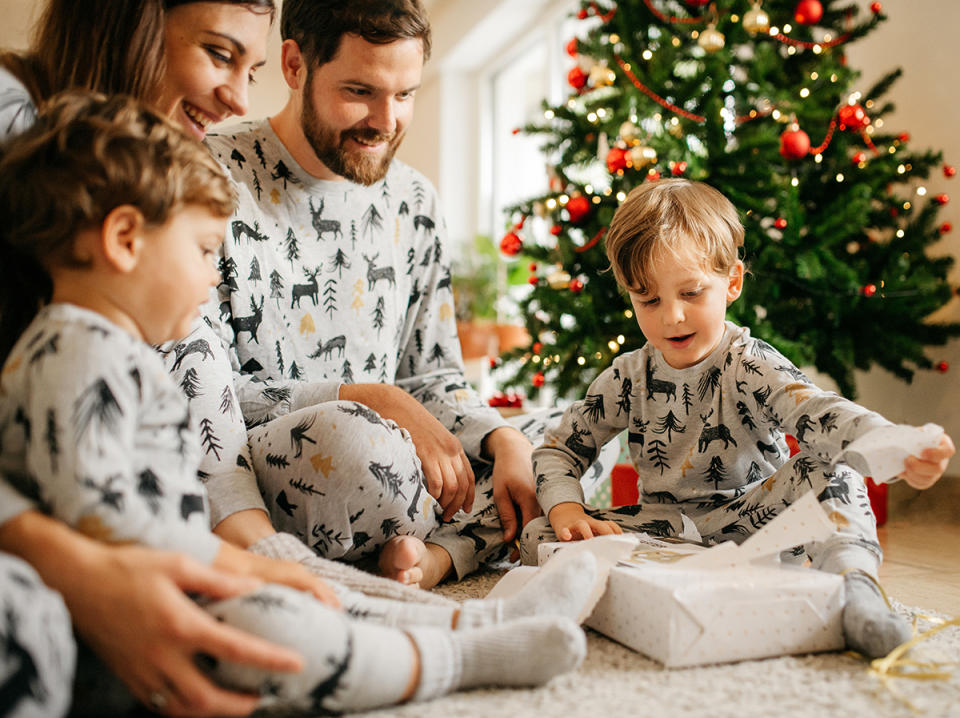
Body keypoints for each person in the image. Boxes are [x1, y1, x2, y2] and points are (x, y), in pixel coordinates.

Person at [0, 92, 596, 716]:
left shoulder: (109, 352)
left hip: (179, 570)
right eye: (204, 251)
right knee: (286, 628)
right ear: (124, 239)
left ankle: (480, 621)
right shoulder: (78, 355)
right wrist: (239, 567)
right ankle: (458, 657)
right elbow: (108, 528)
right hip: (132, 608)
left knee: (300, 589)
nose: (212, 277)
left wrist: (249, 565)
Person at [173, 0, 616, 592]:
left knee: (584, 433)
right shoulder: (206, 175)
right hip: (292, 462)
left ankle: (429, 554)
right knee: (351, 438)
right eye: (360, 91)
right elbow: (201, 395)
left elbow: (435, 377)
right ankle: (458, 539)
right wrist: (373, 399)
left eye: (405, 95)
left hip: (402, 465)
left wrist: (500, 437)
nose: (386, 121)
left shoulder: (414, 199)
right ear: (293, 65)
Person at [519, 178, 956, 660]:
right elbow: (559, 449)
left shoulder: (750, 363)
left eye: (691, 292)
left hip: (757, 528)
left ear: (732, 282)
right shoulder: (628, 375)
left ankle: (856, 593)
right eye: (649, 301)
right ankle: (621, 594)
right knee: (540, 533)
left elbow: (817, 411)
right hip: (664, 532)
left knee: (831, 469)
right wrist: (567, 510)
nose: (673, 317)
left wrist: (893, 443)